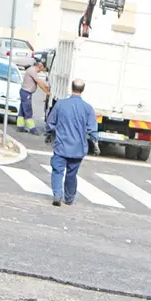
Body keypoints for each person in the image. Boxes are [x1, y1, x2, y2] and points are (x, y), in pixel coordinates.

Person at [43, 79, 100, 207]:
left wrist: (49, 133)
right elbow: (92, 130)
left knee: (57, 171)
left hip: (61, 145)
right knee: (71, 173)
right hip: (78, 148)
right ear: (83, 89)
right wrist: (95, 144)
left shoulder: (61, 104)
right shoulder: (88, 108)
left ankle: (57, 195)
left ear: (71, 88)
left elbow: (50, 123)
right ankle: (69, 198)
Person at [17, 60, 50, 135]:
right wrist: (47, 92)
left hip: (24, 92)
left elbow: (41, 82)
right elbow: (39, 83)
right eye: (42, 69)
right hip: (26, 93)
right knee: (28, 111)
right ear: (40, 66)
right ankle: (32, 129)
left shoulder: (31, 70)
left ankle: (20, 127)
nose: (41, 71)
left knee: (22, 111)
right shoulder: (32, 71)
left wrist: (46, 86)